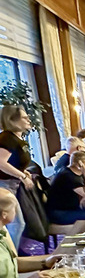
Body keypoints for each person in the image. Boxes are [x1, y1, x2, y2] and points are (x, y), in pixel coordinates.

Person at [0, 105, 35, 247]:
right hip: (4, 185)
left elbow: (14, 161)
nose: (28, 119)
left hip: (11, 184)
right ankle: (11, 256)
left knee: (17, 224)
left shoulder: (16, 138)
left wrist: (22, 171)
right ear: (12, 120)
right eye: (24, 117)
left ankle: (14, 253)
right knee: (16, 224)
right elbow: (1, 163)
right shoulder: (6, 138)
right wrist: (23, 176)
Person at [46, 151, 85, 224]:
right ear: (80, 164)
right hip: (60, 213)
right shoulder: (68, 176)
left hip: (70, 209)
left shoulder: (75, 173)